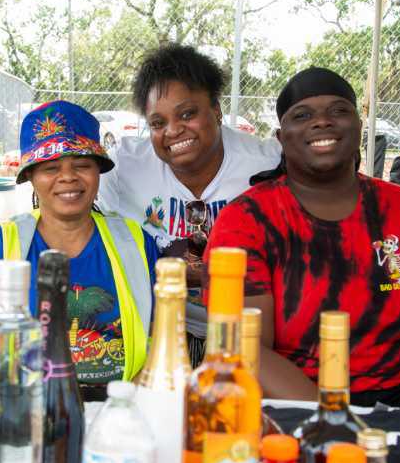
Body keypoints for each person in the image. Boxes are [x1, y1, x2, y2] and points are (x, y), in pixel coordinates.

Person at [204, 67, 400, 407]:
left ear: (359, 127)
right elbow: (244, 347)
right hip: (296, 403)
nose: (322, 121)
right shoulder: (246, 221)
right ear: (281, 137)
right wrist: (339, 420)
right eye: (303, 115)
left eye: (338, 110)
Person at [0, 101, 158, 395]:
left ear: (98, 172)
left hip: (120, 406)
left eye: (82, 165)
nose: (68, 177)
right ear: (30, 177)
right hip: (21, 406)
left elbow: (162, 334)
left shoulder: (136, 242)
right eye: (51, 168)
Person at [97, 44, 281, 362]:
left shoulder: (267, 163)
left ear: (217, 109)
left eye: (187, 114)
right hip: (164, 331)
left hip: (249, 337)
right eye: (157, 123)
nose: (173, 130)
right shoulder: (122, 167)